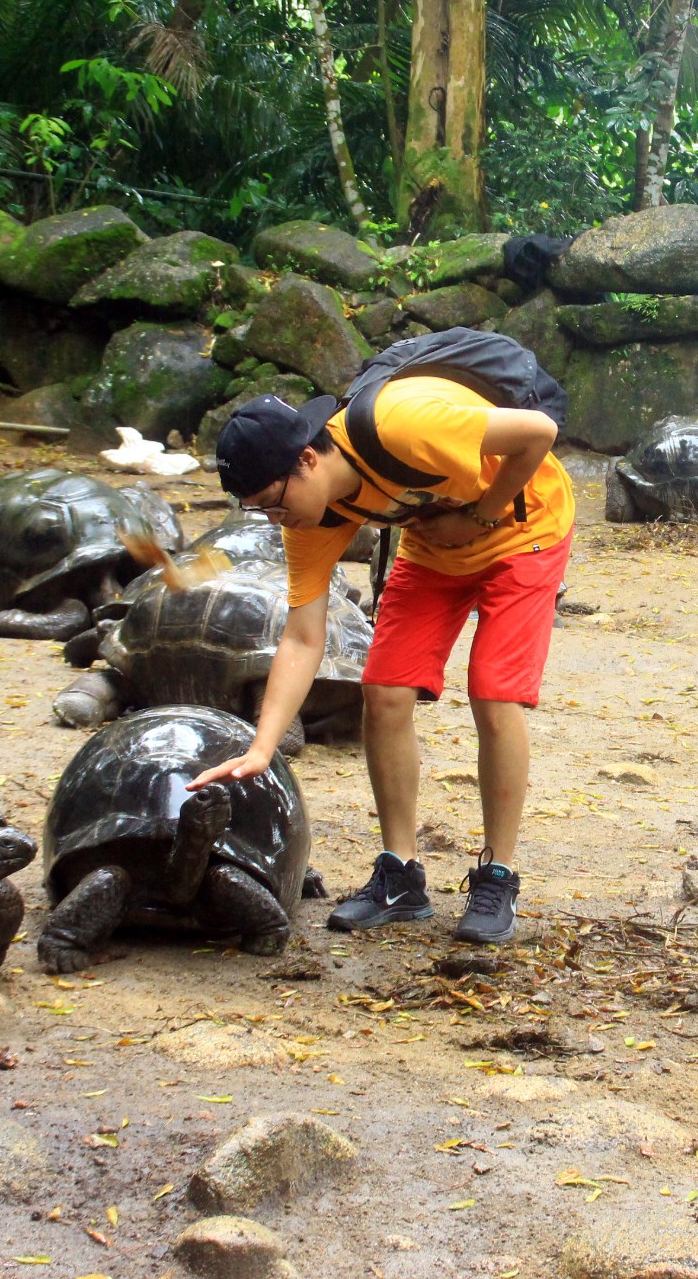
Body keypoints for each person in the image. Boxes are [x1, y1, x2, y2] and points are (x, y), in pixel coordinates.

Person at [188, 348, 573, 945]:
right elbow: (303, 635)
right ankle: (400, 876)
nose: (271, 519)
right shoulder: (312, 520)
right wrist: (262, 747)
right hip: (435, 549)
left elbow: (538, 432)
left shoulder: (402, 422)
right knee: (384, 691)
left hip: (526, 531)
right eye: (256, 510)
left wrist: (484, 513)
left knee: (494, 693)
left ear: (308, 459)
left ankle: (498, 874)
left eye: (272, 502)